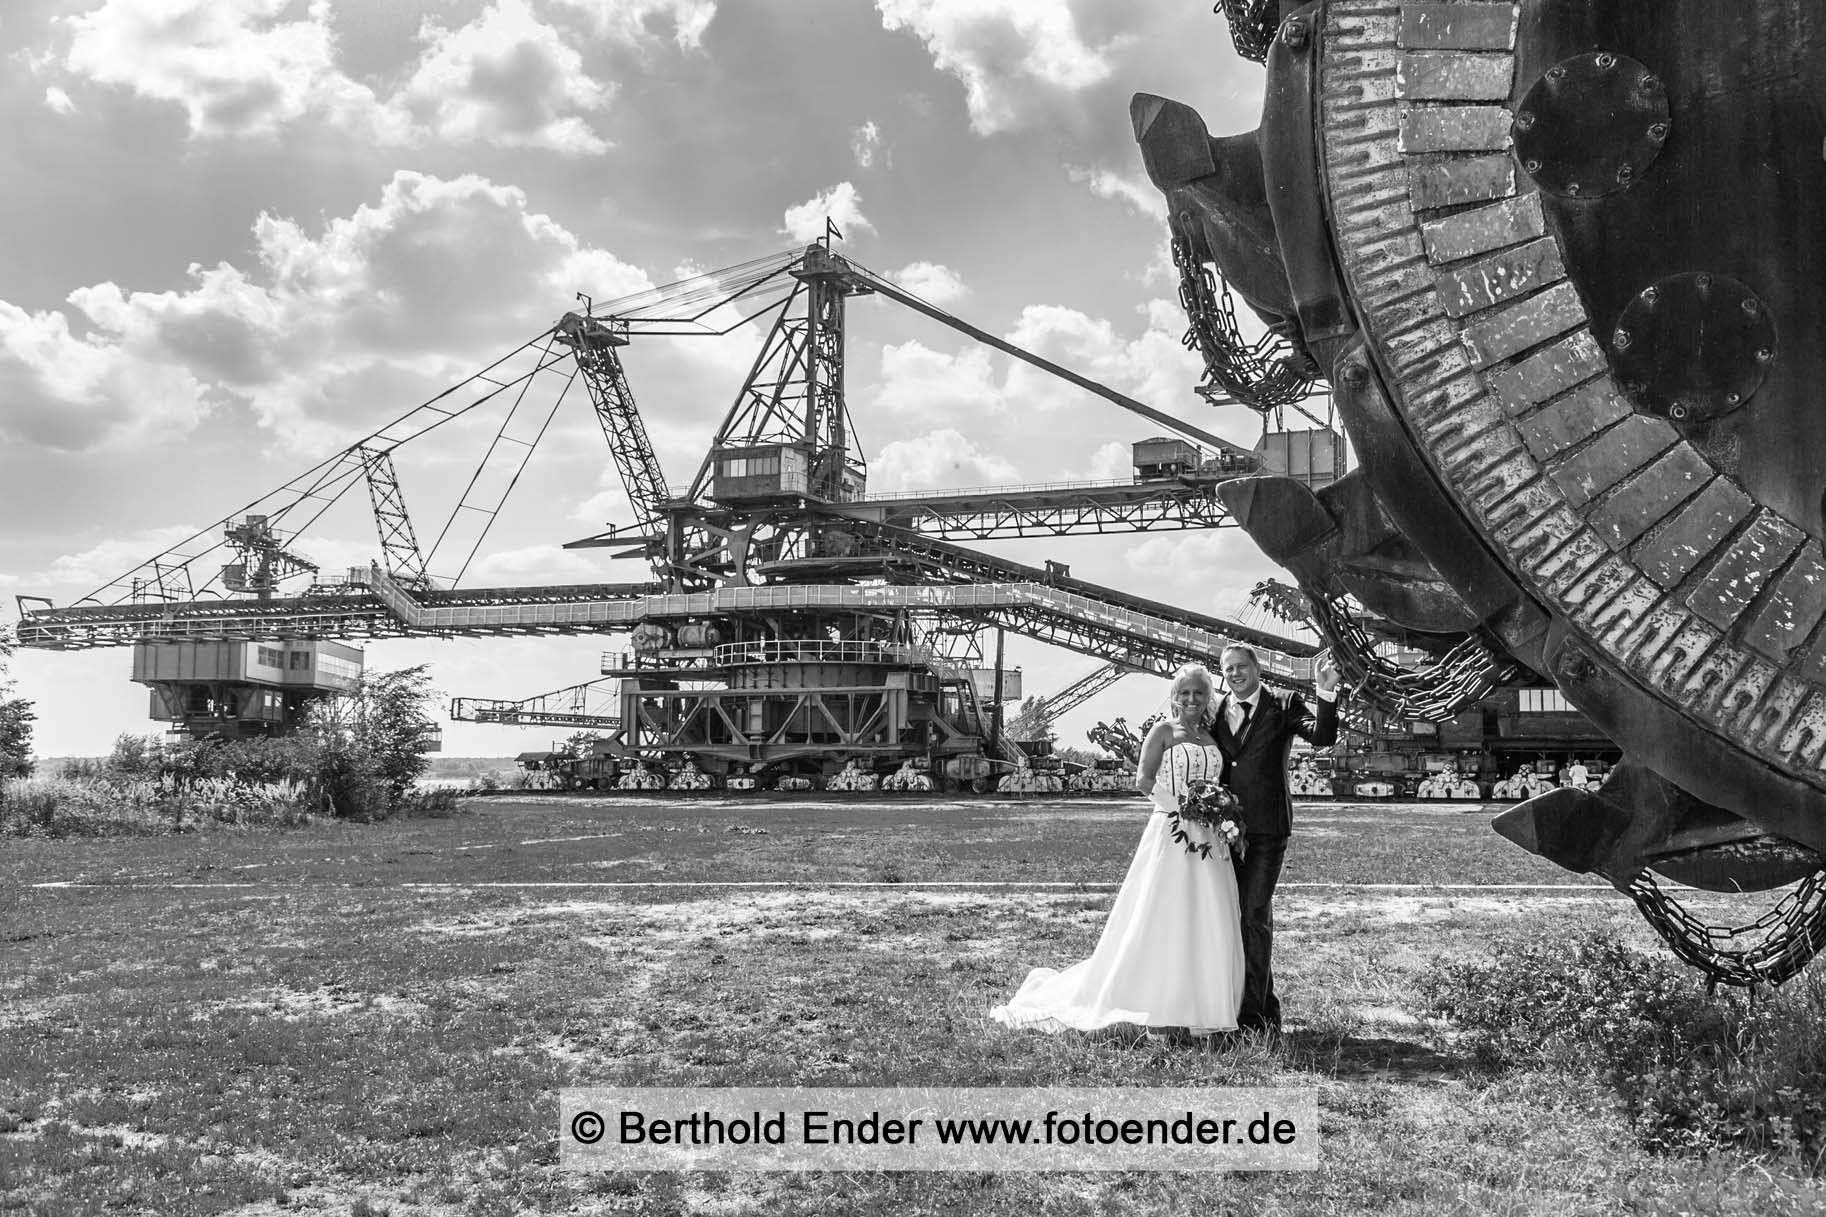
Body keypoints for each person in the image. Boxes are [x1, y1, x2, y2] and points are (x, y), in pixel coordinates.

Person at [990, 663, 1244, 1038]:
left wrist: (1218, 812)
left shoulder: (1211, 736)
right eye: (1185, 692)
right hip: (1172, 830)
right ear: (1174, 696)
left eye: (1199, 692)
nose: (1192, 699)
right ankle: (1157, 1000)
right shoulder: (1163, 731)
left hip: (1209, 837)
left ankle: (1204, 1003)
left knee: (1208, 913)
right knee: (1165, 912)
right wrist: (1182, 810)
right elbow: (1144, 780)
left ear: (1209, 697)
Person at [1215, 644, 1340, 1036]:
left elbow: (1322, 736)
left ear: (1257, 668)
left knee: (1253, 914)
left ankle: (1254, 1019)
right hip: (1224, 832)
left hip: (1268, 828)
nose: (1235, 674)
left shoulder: (1283, 703)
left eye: (1242, 666)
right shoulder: (1216, 710)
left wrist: (1325, 692)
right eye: (1228, 669)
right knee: (1239, 918)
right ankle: (1263, 1008)